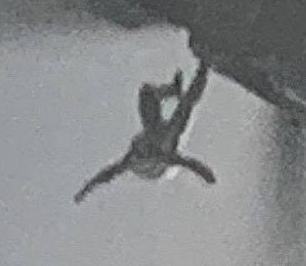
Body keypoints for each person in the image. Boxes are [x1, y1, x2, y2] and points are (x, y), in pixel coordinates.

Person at [74, 61, 216, 203]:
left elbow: (107, 174)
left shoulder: (133, 158)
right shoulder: (159, 156)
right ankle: (204, 68)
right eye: (146, 148)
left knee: (146, 92)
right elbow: (187, 163)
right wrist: (206, 175)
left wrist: (86, 189)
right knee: (185, 105)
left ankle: (173, 90)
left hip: (154, 135)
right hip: (165, 144)